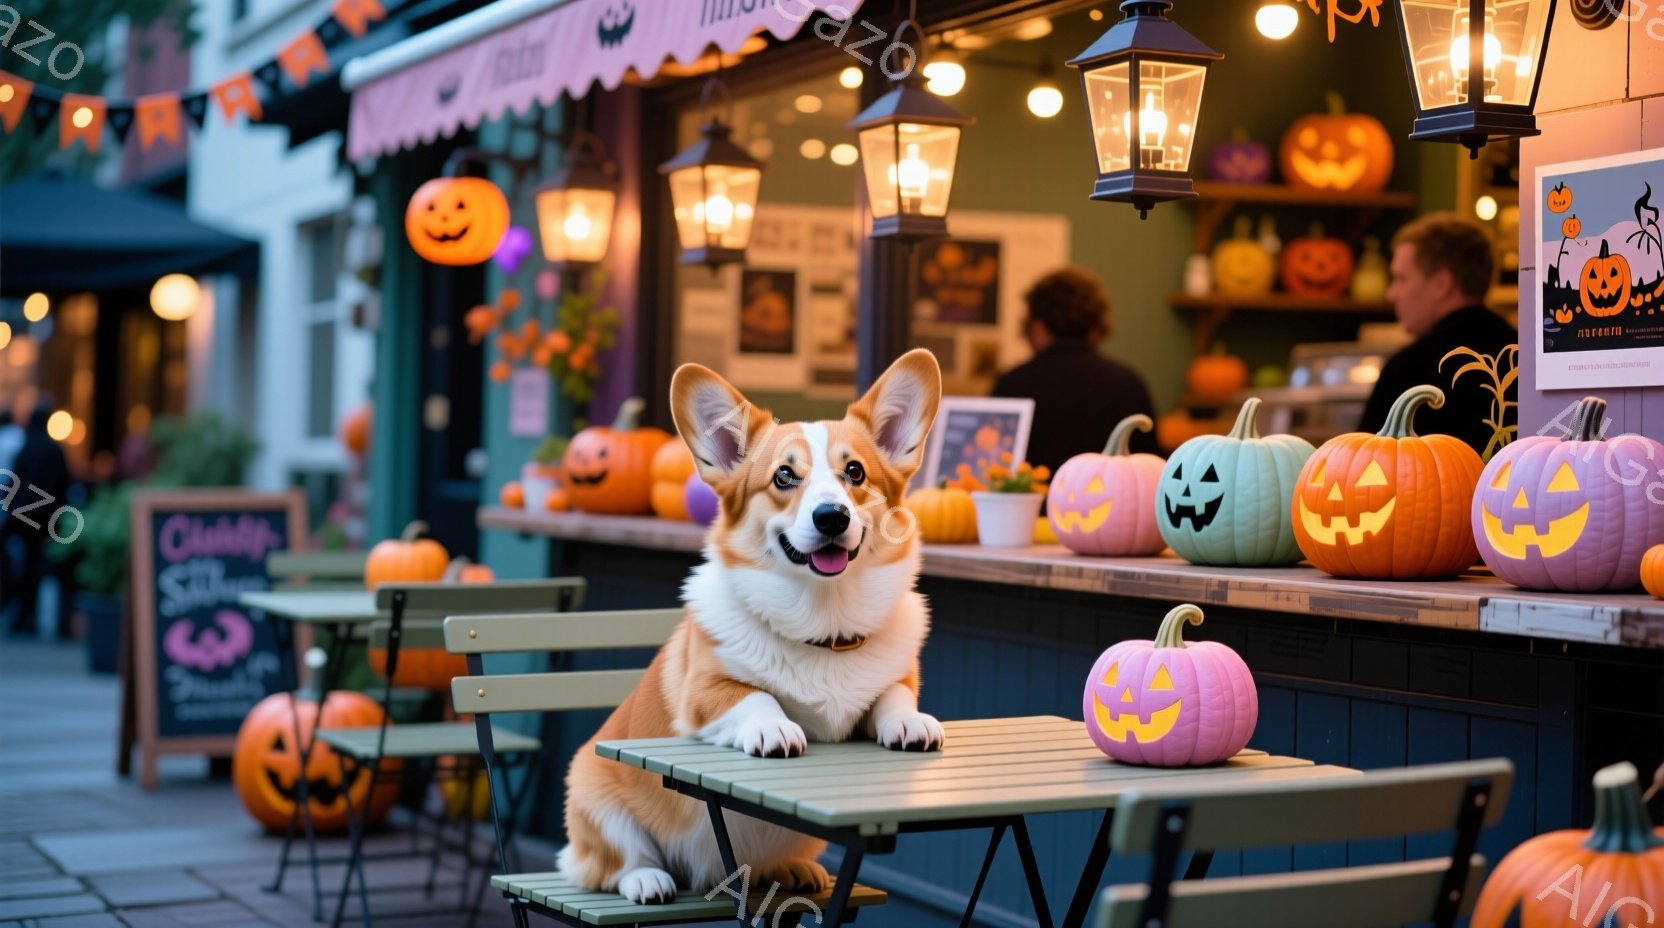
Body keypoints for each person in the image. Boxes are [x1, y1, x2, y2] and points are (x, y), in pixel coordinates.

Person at [1358, 213, 1517, 457]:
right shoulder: (1522, 354)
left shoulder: (1406, 371)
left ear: (1441, 285)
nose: (1391, 294)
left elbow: (1362, 466)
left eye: (1401, 279)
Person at [992, 266, 1158, 475]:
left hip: (1028, 507)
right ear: (1096, 328)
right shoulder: (1129, 385)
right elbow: (1150, 470)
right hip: (1109, 504)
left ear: (1037, 327)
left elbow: (991, 469)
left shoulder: (1010, 385)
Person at [3, 407, 71, 636]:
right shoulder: (53, 450)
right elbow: (63, 484)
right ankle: (54, 620)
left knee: (26, 565)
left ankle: (24, 614)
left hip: (24, 514)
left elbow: (16, 481)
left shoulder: (26, 448)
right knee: (48, 566)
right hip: (47, 516)